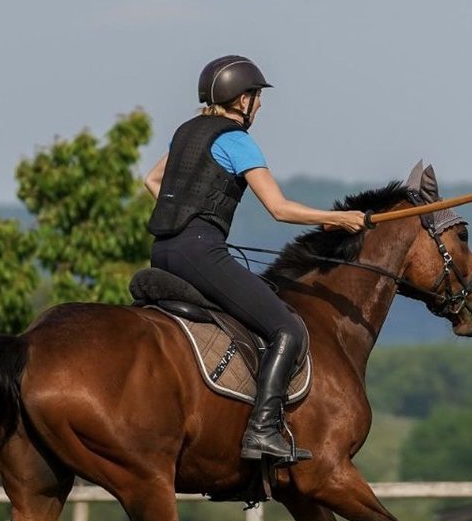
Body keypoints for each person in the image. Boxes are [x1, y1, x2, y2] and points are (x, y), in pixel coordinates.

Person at [144, 55, 365, 464]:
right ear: (240, 99)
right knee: (288, 327)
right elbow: (279, 209)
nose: (259, 105)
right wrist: (336, 218)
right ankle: (262, 430)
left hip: (163, 251)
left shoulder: (185, 132)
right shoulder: (236, 139)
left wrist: (186, 215)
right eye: (257, 96)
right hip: (198, 251)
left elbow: (151, 180)